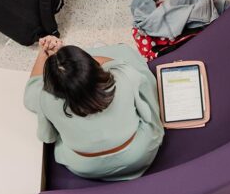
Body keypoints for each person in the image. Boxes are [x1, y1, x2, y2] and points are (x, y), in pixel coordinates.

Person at [24, 36, 164, 181]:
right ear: (91, 67)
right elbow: (118, 63)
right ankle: (95, 51)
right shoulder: (124, 76)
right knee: (124, 52)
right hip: (139, 156)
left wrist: (44, 52)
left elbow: (46, 132)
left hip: (85, 167)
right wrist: (78, 61)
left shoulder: (45, 99)